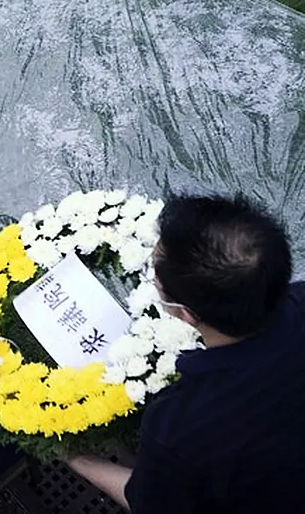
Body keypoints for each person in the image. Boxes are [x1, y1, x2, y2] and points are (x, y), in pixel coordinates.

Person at [65, 193, 305, 513]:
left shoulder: (181, 427)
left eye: (156, 275)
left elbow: (149, 504)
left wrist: (76, 458)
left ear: (186, 313)